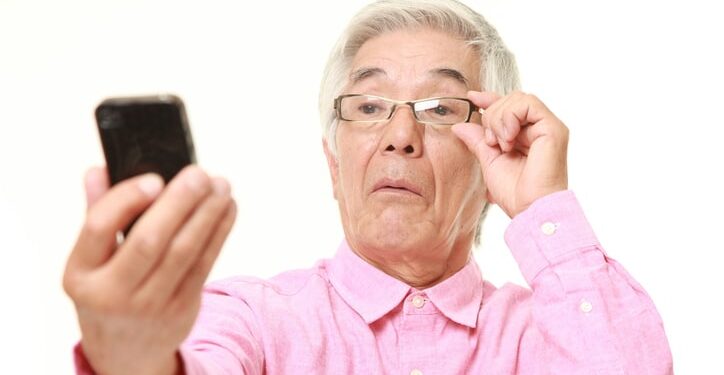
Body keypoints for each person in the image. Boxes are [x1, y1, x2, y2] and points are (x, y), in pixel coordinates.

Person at [63, 0, 673, 373]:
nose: (399, 134)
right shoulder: (253, 320)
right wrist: (133, 359)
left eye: (438, 108)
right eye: (370, 104)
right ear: (334, 164)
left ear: (492, 162)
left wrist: (543, 205)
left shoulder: (550, 331)